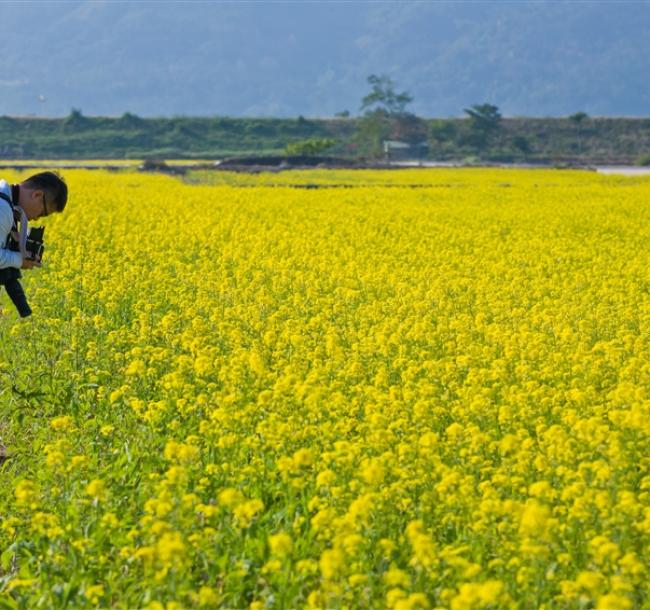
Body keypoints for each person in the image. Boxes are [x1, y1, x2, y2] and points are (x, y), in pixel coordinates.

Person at [0, 171, 68, 270]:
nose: (36, 218)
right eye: (41, 214)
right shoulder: (3, 208)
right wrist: (19, 260)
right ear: (37, 195)